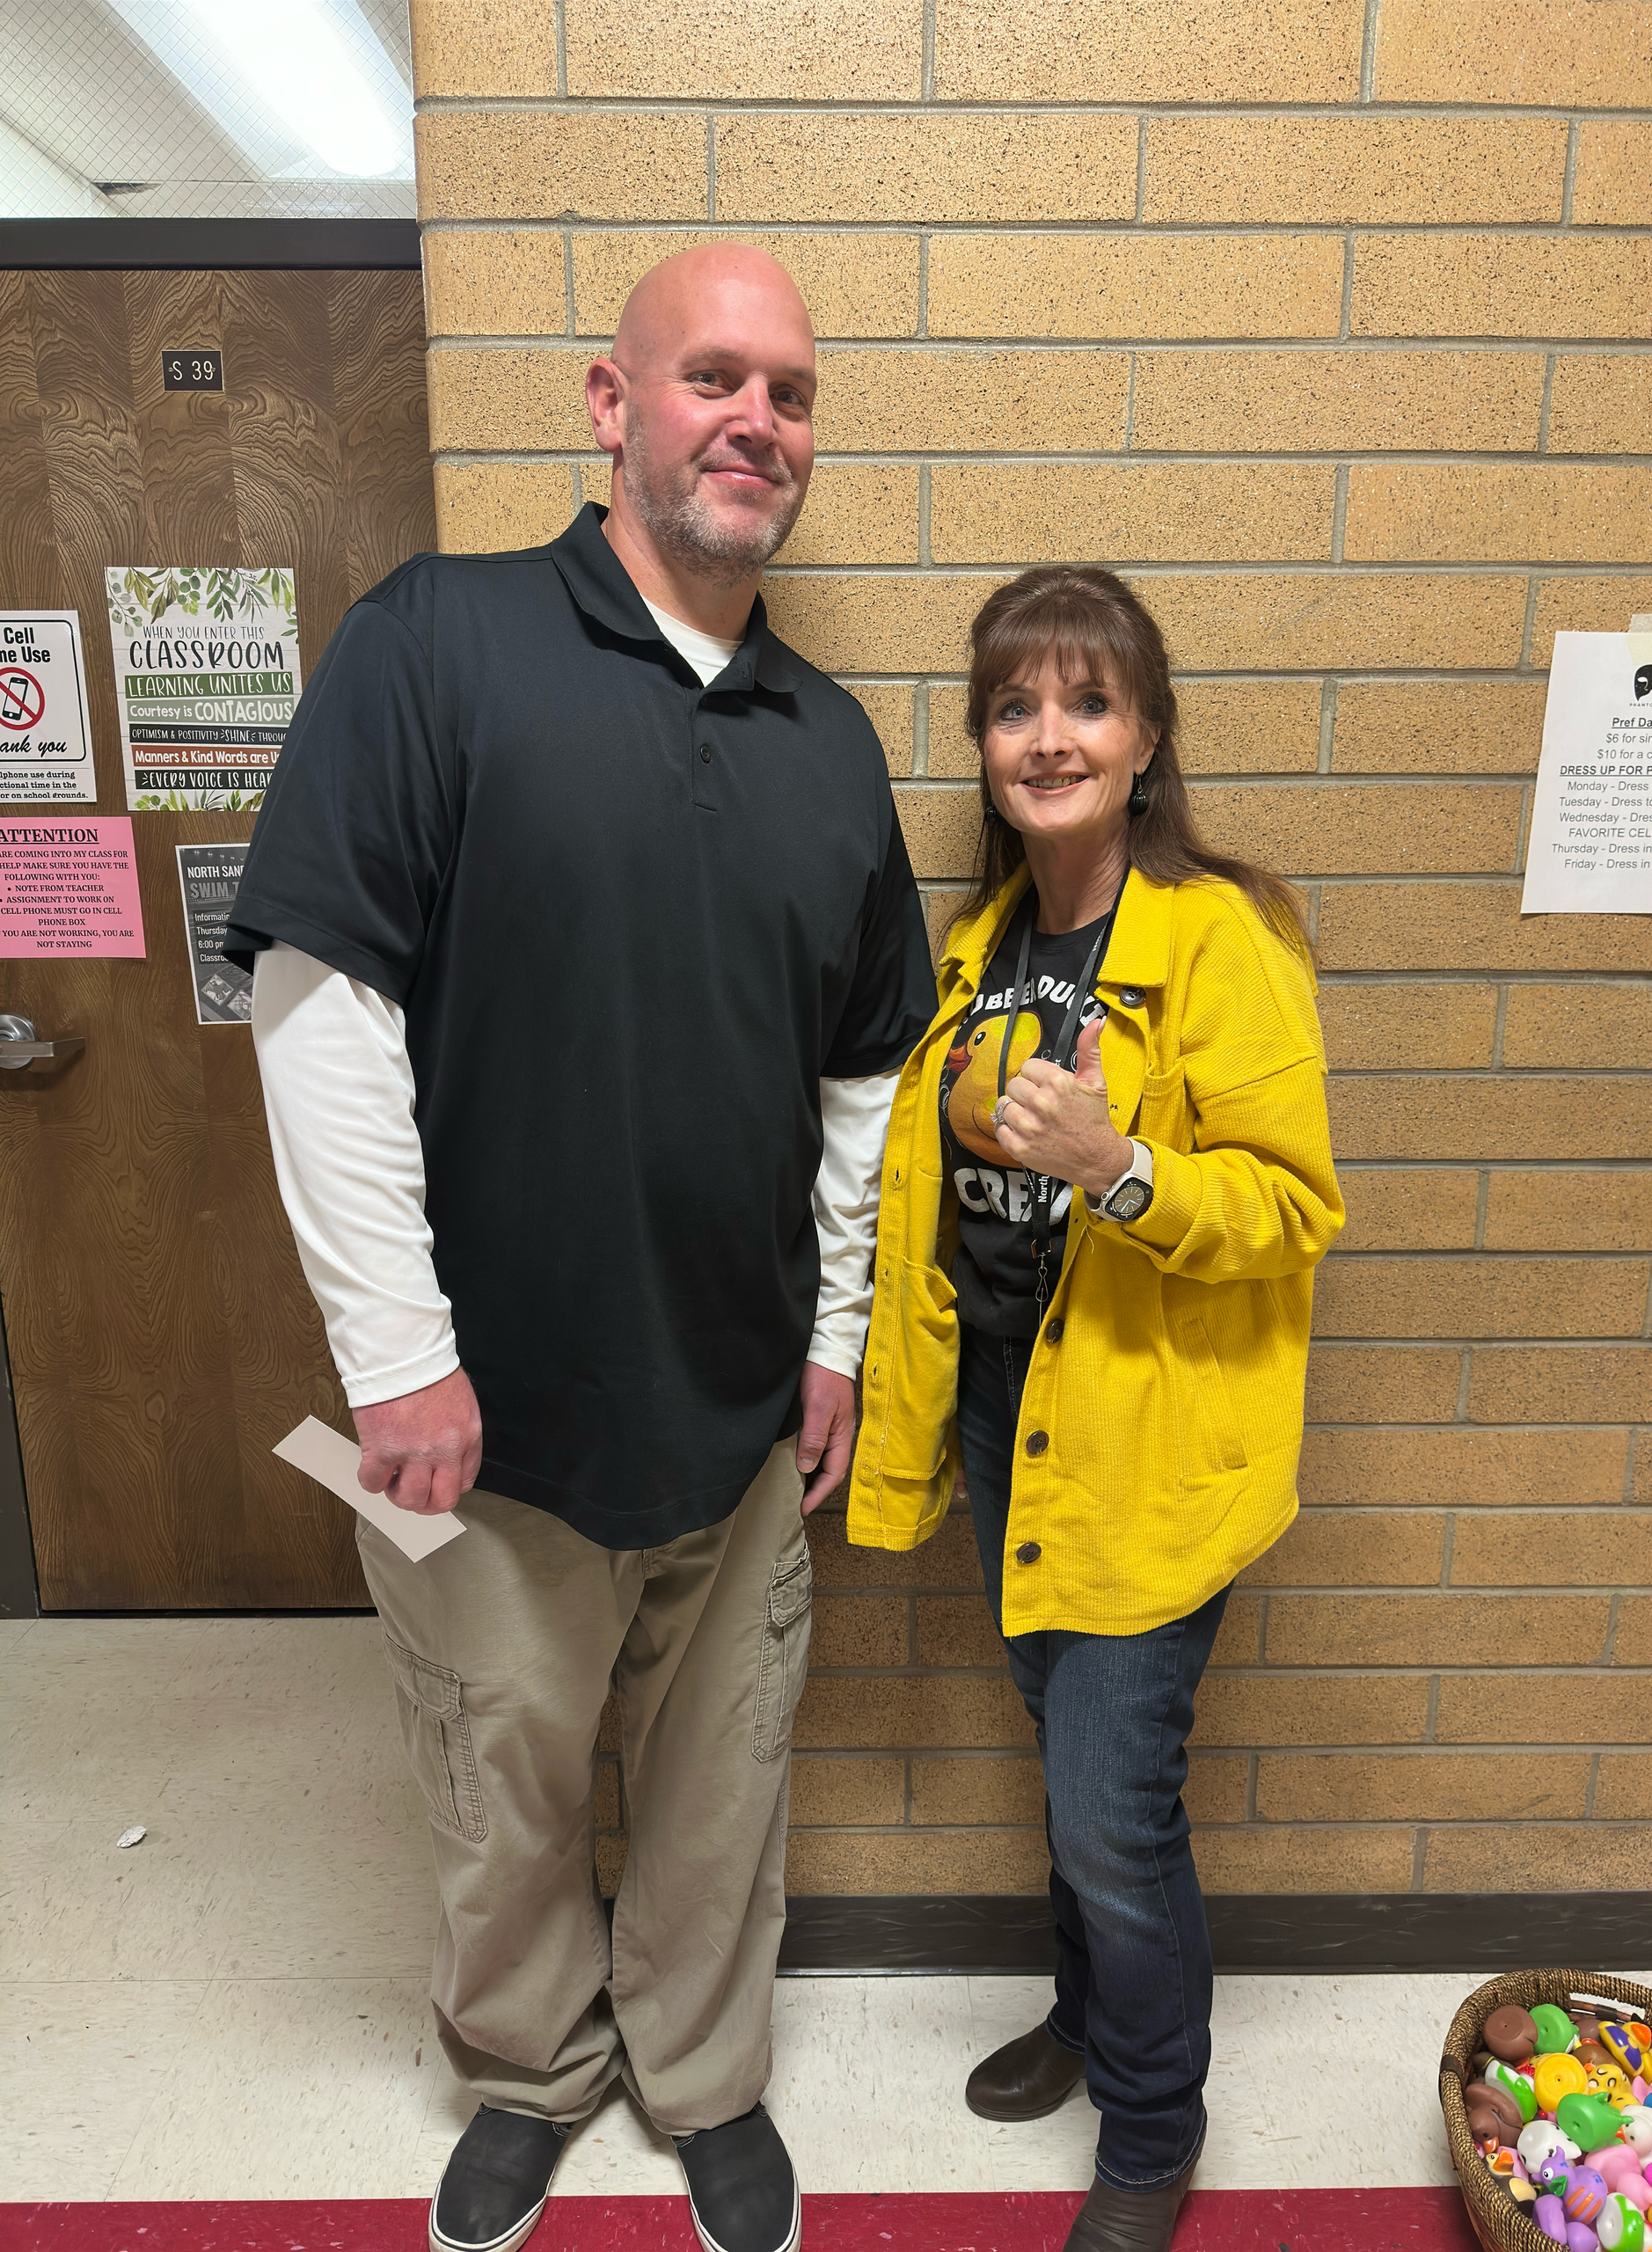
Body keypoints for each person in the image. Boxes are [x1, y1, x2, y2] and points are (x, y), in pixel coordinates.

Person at [228, 244, 935, 2252]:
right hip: (488, 1416)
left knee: (724, 1791)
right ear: (611, 404)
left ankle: (701, 2071)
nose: (759, 420)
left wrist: (840, 1333)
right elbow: (315, 994)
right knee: (500, 1786)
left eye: (792, 391)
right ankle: (530, 2066)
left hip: (736, 1413)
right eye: (714, 375)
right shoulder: (436, 645)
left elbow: (866, 1075)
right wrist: (394, 1353)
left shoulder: (830, 740)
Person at [847, 567, 1343, 2252]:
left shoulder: (1222, 939)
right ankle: (1086, 2010)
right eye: (1013, 706)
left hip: (1145, 1439)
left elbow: (1292, 1210)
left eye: (1086, 703)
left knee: (1116, 1812)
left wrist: (1122, 1172)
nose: (1046, 736)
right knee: (1063, 1761)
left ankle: (1150, 2131)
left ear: (1146, 740)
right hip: (1010, 1421)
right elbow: (941, 1203)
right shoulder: (982, 948)